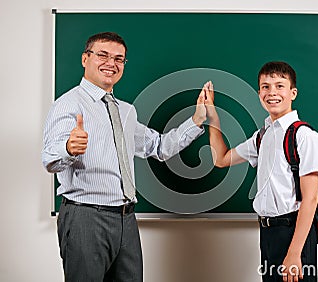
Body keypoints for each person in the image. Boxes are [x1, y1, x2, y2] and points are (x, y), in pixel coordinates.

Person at [42, 32, 207, 281]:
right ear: (85, 59)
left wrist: (196, 120)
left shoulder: (125, 111)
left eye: (119, 59)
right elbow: (50, 158)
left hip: (126, 218)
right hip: (86, 218)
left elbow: (160, 147)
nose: (112, 63)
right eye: (103, 55)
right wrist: (68, 147)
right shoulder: (69, 104)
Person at [203, 61, 318, 282]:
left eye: (280, 86)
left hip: (294, 233)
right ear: (259, 92)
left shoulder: (305, 136)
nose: (272, 93)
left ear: (293, 93)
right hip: (268, 234)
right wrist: (213, 118)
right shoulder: (262, 136)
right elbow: (221, 159)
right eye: (266, 86)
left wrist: (295, 253)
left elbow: (311, 199)